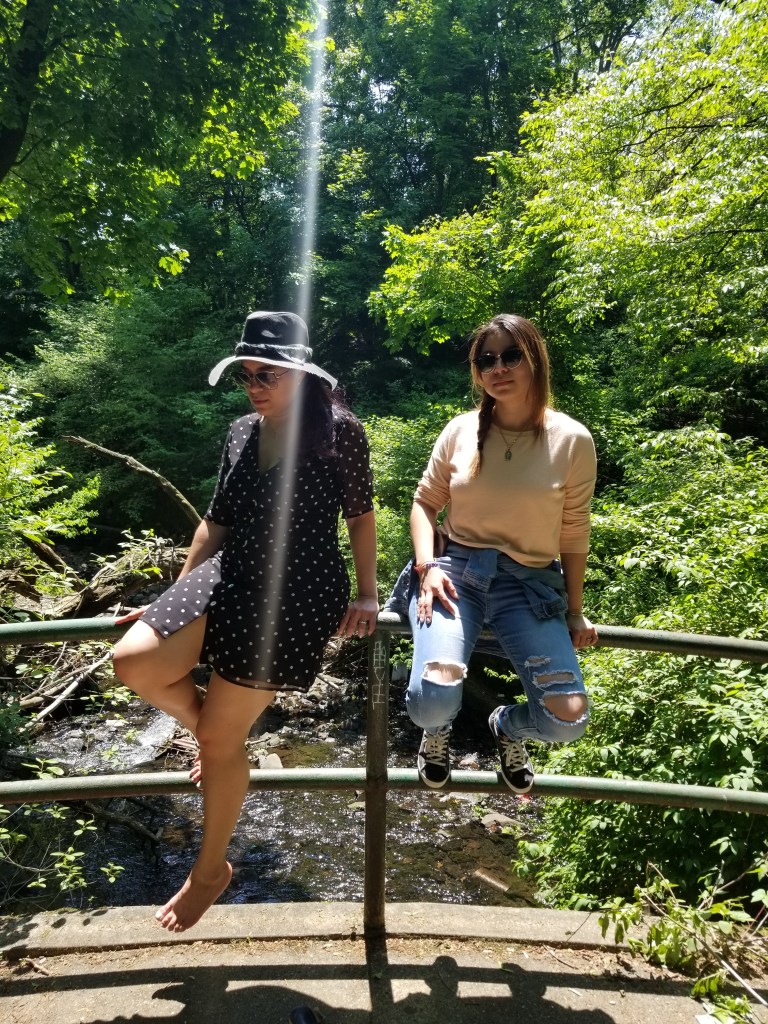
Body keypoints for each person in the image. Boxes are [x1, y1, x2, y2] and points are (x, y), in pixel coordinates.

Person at [112, 311, 378, 932]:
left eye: (268, 373)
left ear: (302, 374)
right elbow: (216, 521)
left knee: (218, 741)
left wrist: (367, 595)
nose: (255, 384)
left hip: (297, 587)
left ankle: (210, 870)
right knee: (136, 660)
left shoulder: (338, 431)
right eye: (246, 375)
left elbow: (361, 517)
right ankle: (215, 734)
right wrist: (170, 597)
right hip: (230, 569)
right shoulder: (239, 431)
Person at [405, 313, 597, 792]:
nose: (498, 367)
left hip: (528, 586)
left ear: (535, 359)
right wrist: (426, 567)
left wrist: (575, 611)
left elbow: (573, 532)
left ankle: (507, 726)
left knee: (567, 720)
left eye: (511, 355)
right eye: (485, 359)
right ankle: (438, 730)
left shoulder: (572, 440)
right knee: (431, 698)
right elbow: (424, 504)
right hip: (455, 574)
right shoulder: (461, 430)